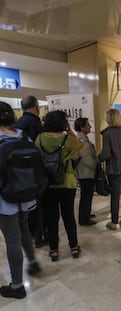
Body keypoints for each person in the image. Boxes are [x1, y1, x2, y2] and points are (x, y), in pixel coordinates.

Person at [0, 102, 41, 299]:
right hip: (26, 194)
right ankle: (33, 261)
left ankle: (17, 286)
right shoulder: (23, 136)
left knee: (12, 239)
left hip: (5, 199)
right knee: (23, 228)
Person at [36, 111, 83, 262]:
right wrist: (69, 130)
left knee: (51, 218)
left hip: (47, 183)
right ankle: (74, 247)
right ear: (63, 123)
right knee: (68, 216)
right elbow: (82, 148)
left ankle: (54, 250)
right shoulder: (68, 139)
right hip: (67, 182)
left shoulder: (40, 138)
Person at [15, 95, 47, 248]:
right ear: (36, 107)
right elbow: (38, 148)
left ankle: (28, 234)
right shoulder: (34, 122)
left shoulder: (18, 123)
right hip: (33, 170)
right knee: (38, 206)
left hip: (19, 171)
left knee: (27, 206)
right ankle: (38, 237)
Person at [74, 117, 98, 226]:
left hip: (86, 172)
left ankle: (86, 214)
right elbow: (86, 158)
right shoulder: (81, 141)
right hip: (85, 172)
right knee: (86, 196)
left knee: (88, 195)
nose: (90, 127)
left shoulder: (83, 139)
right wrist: (95, 166)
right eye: (88, 125)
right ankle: (84, 218)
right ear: (82, 127)